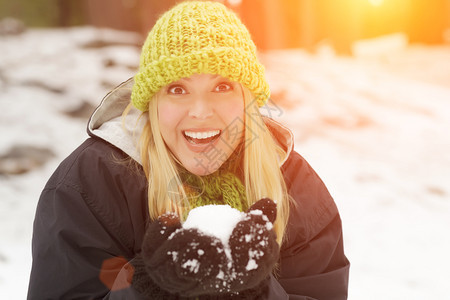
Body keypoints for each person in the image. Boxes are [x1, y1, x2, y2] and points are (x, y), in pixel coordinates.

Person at [27, 1, 349, 299]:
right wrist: (151, 287)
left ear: (246, 99)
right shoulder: (90, 185)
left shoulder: (296, 187)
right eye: (177, 89)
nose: (200, 111)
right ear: (152, 102)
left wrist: (256, 290)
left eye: (222, 87)